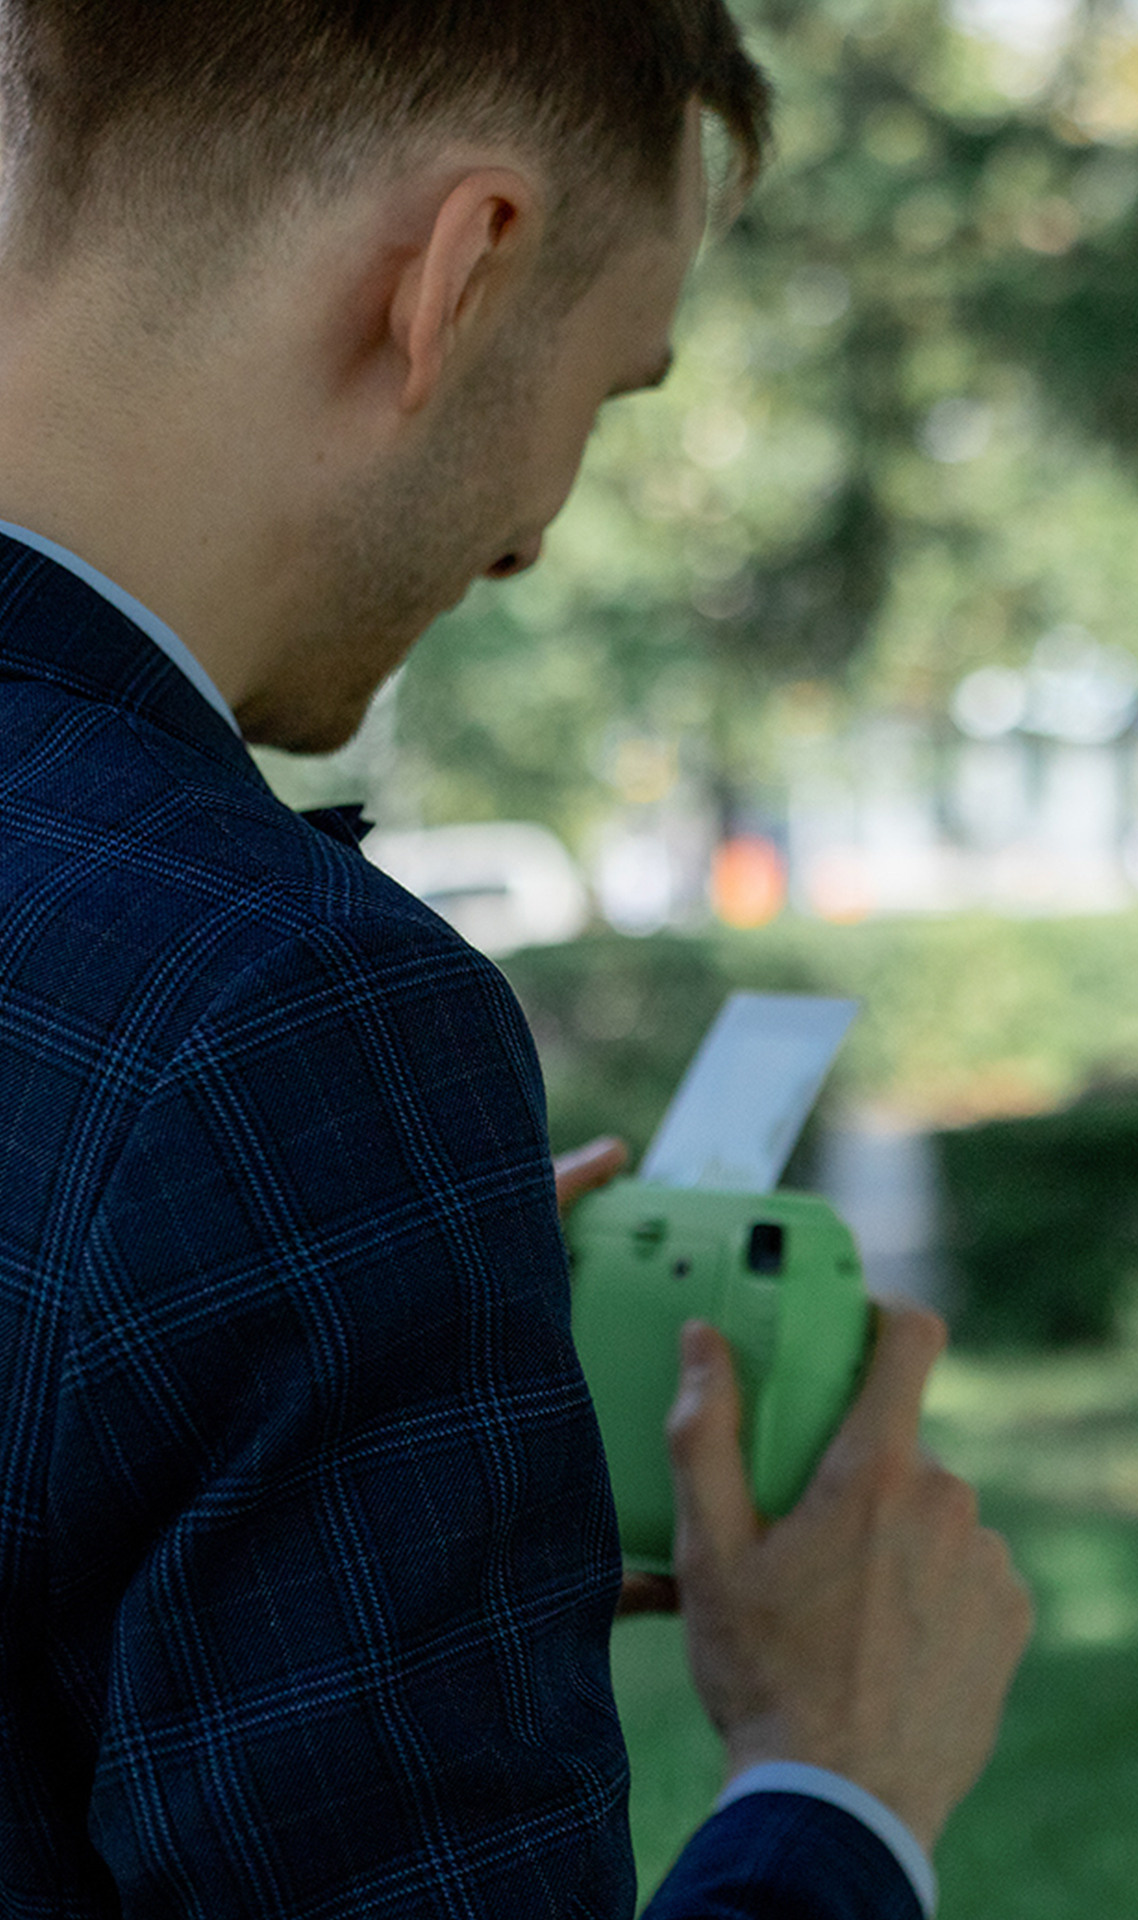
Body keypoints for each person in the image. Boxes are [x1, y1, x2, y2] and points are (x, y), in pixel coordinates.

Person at [0, 4, 1030, 1916]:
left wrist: (313, 1330)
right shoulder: (280, 1018)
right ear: (458, 271)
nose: (544, 531)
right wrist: (838, 1783)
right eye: (617, 385)